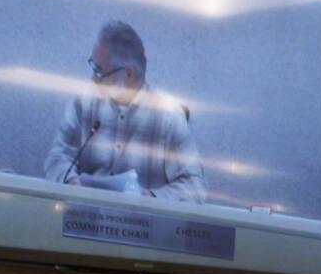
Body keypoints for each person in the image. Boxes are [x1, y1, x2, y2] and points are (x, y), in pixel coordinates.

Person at [42, 19, 207, 203]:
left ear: (129, 74)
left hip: (141, 226)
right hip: (83, 220)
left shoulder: (168, 115)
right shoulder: (84, 101)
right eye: (93, 67)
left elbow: (195, 189)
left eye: (100, 71)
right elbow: (58, 157)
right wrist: (70, 181)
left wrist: (151, 197)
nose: (93, 79)